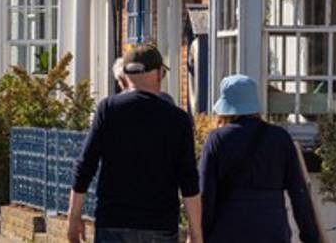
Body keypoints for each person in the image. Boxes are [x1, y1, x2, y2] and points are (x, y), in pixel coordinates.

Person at [68, 44, 202, 243]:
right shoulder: (177, 119)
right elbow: (188, 179)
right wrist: (195, 231)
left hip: (113, 222)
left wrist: (73, 217)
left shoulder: (108, 110)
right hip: (159, 225)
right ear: (158, 74)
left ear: (125, 76)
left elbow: (85, 165)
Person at [196, 74, 323, 243]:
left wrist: (202, 233)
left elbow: (206, 195)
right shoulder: (280, 138)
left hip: (228, 230)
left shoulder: (217, 139)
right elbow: (298, 192)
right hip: (272, 230)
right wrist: (310, 236)